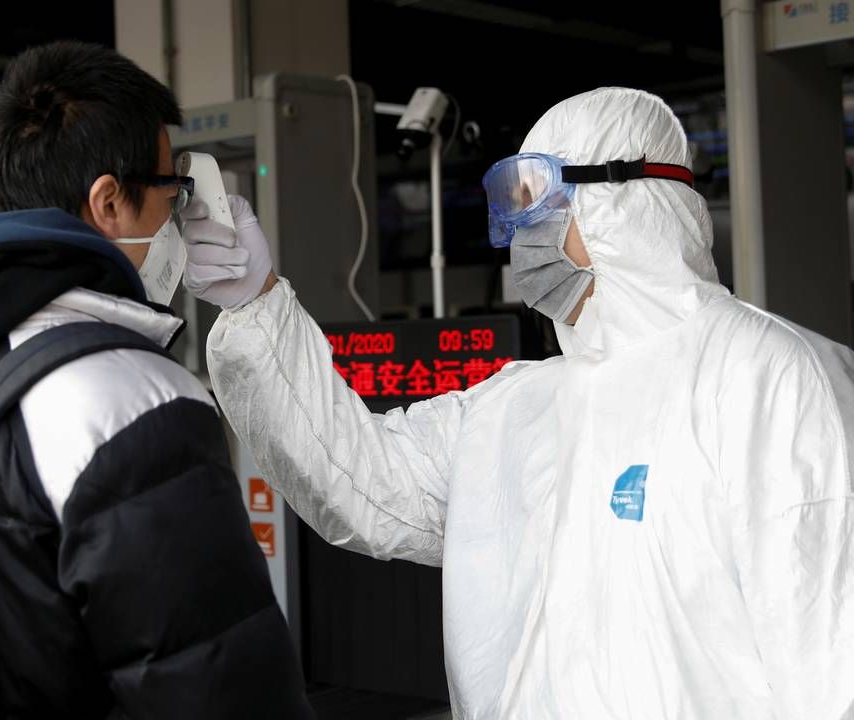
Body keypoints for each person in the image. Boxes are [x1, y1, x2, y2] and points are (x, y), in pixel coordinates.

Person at [183, 86, 854, 719]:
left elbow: (828, 660)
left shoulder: (771, 380)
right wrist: (256, 306)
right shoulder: (517, 407)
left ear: (619, 201)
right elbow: (363, 480)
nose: (517, 233)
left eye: (535, 199)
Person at [0, 41, 314, 718]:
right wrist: (256, 299)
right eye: (171, 191)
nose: (181, 216)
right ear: (109, 203)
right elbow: (220, 687)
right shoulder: (130, 398)